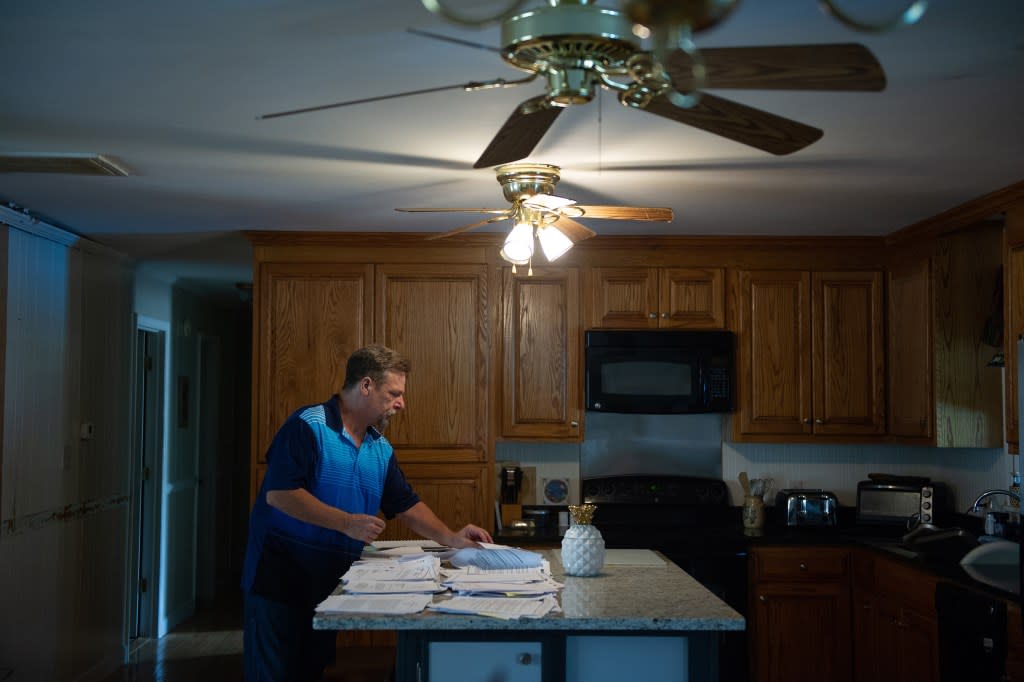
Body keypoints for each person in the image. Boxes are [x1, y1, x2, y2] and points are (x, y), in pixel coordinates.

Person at [241, 344, 492, 681]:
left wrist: (452, 537)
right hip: (279, 583)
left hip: (328, 587)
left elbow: (405, 503)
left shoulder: (379, 447)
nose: (401, 403)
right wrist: (346, 523)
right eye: (394, 393)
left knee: (309, 672)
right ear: (366, 386)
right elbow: (280, 494)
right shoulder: (308, 426)